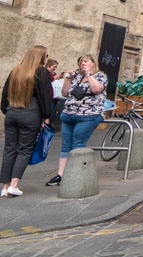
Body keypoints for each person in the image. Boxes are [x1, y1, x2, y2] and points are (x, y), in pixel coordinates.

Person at [48, 55, 107, 187]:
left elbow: (96, 89)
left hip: (88, 115)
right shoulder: (77, 77)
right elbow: (64, 93)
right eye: (81, 62)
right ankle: (61, 175)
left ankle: (74, 175)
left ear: (93, 63)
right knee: (65, 146)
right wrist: (68, 79)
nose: (82, 64)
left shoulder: (100, 76)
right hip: (69, 114)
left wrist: (89, 74)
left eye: (86, 61)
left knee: (77, 144)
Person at [1, 45, 52, 197]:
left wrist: (6, 110)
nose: (47, 58)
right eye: (46, 55)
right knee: (24, 150)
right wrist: (46, 116)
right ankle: (14, 185)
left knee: (9, 149)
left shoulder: (16, 70)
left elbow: (5, 93)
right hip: (30, 114)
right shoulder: (41, 71)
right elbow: (44, 97)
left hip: (12, 113)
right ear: (41, 57)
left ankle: (5, 187)